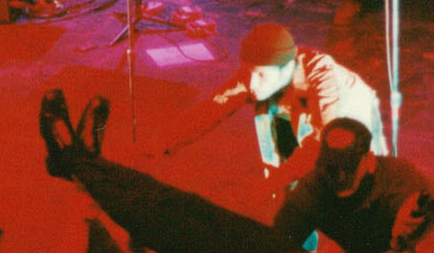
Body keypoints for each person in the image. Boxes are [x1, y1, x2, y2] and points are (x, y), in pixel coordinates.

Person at [271, 116, 434, 253]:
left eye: (348, 167)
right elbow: (278, 244)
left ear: (369, 161)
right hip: (375, 245)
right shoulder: (314, 186)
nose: (340, 176)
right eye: (332, 167)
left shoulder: (401, 191)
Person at [161, 22, 388, 178]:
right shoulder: (261, 71)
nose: (252, 84)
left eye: (261, 75)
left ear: (287, 67)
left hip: (349, 115)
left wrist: (274, 184)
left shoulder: (324, 77)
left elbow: (326, 140)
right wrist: (164, 144)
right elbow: (213, 108)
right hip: (294, 112)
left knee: (354, 178)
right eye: (250, 73)